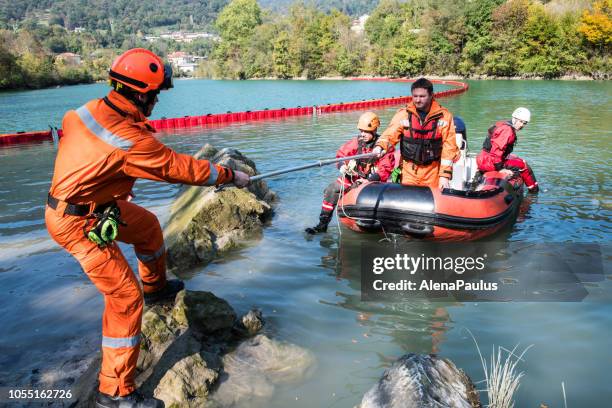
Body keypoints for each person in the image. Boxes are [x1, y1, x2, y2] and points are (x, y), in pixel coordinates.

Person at [45, 48, 250, 408]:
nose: (157, 100)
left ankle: (155, 289)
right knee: (124, 299)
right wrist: (230, 175)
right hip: (76, 222)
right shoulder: (129, 139)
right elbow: (178, 168)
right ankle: (114, 392)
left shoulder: (89, 111)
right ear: (141, 93)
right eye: (156, 94)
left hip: (94, 208)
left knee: (148, 227)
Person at [305, 112, 395, 234]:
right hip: (354, 178)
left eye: (366, 131)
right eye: (361, 131)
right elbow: (341, 156)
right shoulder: (356, 143)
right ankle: (322, 225)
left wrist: (369, 180)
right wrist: (342, 166)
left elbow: (386, 168)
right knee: (332, 189)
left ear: (374, 130)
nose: (363, 134)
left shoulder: (383, 147)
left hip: (374, 181)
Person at [372, 78, 459, 189]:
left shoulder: (444, 117)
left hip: (432, 172)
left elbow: (449, 147)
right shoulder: (403, 114)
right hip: (409, 171)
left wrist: (444, 176)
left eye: (422, 96)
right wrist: (380, 146)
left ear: (431, 95)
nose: (418, 100)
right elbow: (390, 134)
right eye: (415, 96)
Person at [476, 107, 539, 193]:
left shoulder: (504, 124)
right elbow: (496, 152)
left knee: (518, 161)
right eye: (520, 121)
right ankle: (534, 192)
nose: (522, 125)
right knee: (523, 165)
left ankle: (533, 189)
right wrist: (500, 169)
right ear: (514, 119)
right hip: (489, 162)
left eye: (525, 123)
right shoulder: (507, 130)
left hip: (484, 158)